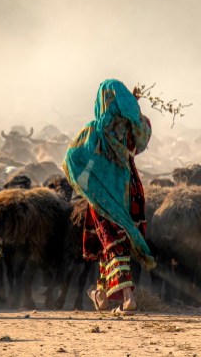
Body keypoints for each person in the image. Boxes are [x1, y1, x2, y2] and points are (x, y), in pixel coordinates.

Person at [63, 79, 155, 314]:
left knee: (113, 242)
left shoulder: (95, 129)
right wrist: (133, 105)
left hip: (105, 194)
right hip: (130, 189)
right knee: (114, 242)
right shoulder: (135, 127)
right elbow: (142, 137)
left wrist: (86, 181)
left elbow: (72, 157)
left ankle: (128, 298)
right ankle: (101, 295)